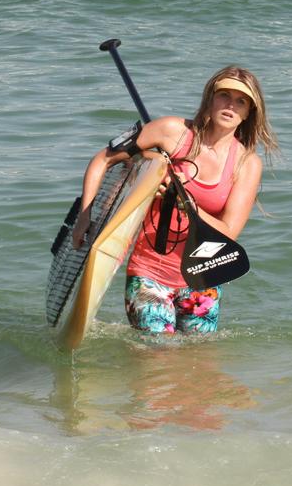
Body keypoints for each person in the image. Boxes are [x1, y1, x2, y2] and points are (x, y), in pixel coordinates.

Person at [72, 65, 278, 335]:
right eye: (224, 96)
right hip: (149, 272)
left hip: (204, 275)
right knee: (157, 357)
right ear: (210, 99)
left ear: (249, 112)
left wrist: (190, 207)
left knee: (197, 364)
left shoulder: (246, 164)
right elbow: (104, 159)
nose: (230, 105)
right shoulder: (173, 132)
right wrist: (85, 215)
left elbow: (229, 232)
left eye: (241, 101)